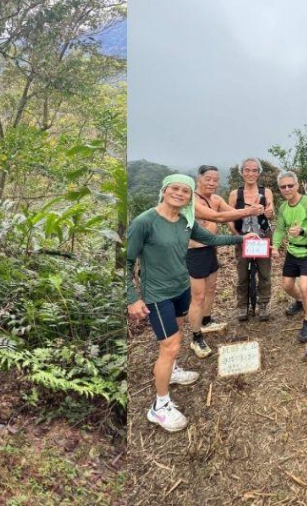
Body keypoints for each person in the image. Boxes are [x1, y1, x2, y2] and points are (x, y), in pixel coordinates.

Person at [127, 174, 255, 432]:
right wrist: (132, 298)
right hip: (157, 294)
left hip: (181, 289)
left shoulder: (185, 221)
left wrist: (242, 239)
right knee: (170, 346)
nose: (180, 194)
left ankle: (171, 373)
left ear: (189, 197)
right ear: (164, 190)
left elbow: (210, 239)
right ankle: (159, 406)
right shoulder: (145, 222)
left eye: (185, 191)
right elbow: (125, 262)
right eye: (174, 188)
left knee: (175, 340)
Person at [187, 165, 265, 358]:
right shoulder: (191, 200)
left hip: (211, 250)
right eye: (208, 179)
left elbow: (232, 212)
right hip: (194, 252)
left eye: (215, 179)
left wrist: (254, 209)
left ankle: (206, 321)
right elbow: (218, 217)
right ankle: (195, 337)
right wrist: (249, 212)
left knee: (211, 288)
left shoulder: (216, 199)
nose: (212, 183)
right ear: (199, 179)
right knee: (197, 296)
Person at [271, 171, 307, 343]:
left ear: (297, 185)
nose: (287, 189)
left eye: (290, 185)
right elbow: (279, 229)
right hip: (293, 251)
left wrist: (302, 231)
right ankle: (300, 301)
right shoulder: (283, 208)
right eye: (283, 186)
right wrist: (275, 247)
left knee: (305, 286)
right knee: (286, 285)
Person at [228, 158, 275, 321]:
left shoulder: (266, 192)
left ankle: (263, 304)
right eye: (247, 170)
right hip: (242, 237)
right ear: (241, 172)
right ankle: (242, 306)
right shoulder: (235, 194)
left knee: (264, 272)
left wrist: (269, 213)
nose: (251, 173)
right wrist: (237, 236)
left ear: (259, 173)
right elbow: (229, 217)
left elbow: (271, 212)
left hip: (262, 237)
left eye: (255, 170)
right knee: (242, 274)